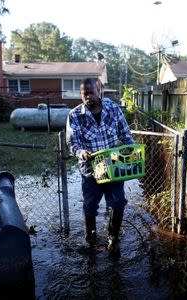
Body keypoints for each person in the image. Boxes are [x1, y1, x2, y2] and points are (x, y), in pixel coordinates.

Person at [66, 78, 134, 258]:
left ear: (99, 91)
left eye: (91, 92)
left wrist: (132, 150)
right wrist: (81, 152)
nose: (88, 96)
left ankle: (113, 238)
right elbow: (73, 142)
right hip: (90, 169)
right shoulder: (75, 115)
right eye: (84, 93)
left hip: (113, 166)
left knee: (118, 203)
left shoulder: (113, 108)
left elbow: (125, 134)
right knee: (90, 205)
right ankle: (91, 237)